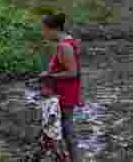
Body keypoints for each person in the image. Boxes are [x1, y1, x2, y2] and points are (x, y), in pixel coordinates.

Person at [40, 14, 81, 162]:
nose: (43, 33)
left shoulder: (64, 46)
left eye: (44, 30)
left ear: (54, 29)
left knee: (66, 130)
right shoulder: (67, 41)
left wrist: (50, 76)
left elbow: (73, 72)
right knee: (62, 129)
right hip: (65, 92)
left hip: (65, 93)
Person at [29, 80, 72, 162]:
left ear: (50, 90)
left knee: (57, 148)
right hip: (47, 129)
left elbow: (52, 116)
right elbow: (44, 113)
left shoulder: (54, 101)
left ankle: (62, 159)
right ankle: (36, 157)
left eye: (42, 89)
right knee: (43, 144)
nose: (40, 91)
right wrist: (40, 121)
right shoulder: (45, 100)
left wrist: (45, 125)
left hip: (53, 131)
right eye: (40, 89)